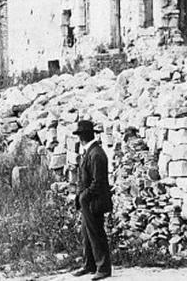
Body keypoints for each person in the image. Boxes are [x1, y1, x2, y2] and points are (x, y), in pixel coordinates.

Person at [71, 120, 112, 280]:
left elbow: (98, 182)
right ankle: (89, 265)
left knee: (96, 233)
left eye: (79, 136)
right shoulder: (90, 152)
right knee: (87, 234)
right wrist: (80, 197)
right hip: (88, 201)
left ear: (82, 137)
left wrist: (84, 196)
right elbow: (85, 180)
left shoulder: (96, 154)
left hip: (95, 202)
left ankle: (103, 268)